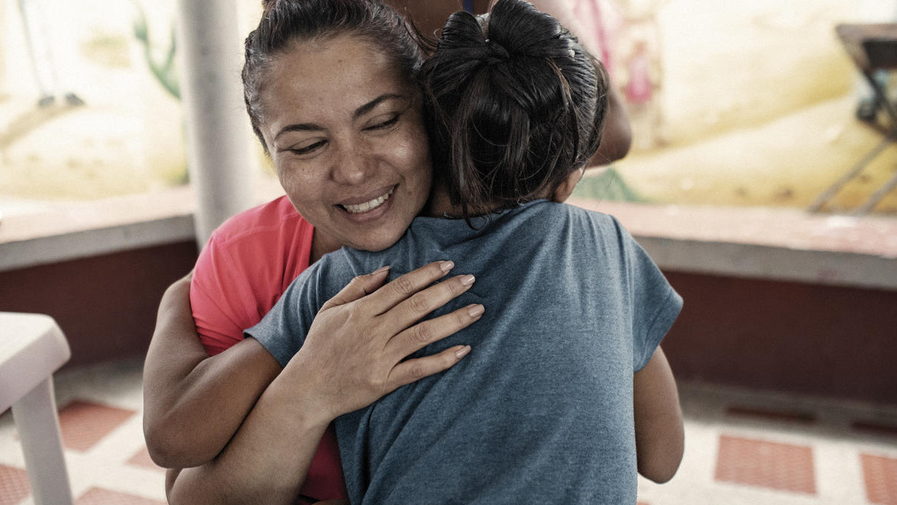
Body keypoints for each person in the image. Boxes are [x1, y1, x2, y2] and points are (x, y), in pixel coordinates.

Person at [163, 0, 683, 503]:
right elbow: (662, 457)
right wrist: (308, 386)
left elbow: (174, 435)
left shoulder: (346, 285)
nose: (353, 170)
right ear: (570, 177)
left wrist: (173, 305)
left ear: (431, 116)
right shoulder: (606, 247)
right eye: (306, 145)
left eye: (382, 120)